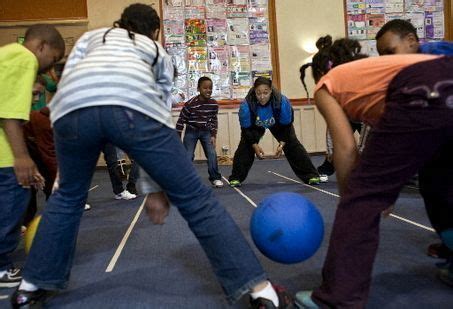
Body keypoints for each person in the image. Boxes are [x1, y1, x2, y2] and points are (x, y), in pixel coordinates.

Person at [10, 4, 292, 308]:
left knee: (67, 197)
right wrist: (155, 189)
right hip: (131, 108)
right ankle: (262, 293)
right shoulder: (155, 50)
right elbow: (155, 108)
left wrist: (67, 167)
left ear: (120, 23)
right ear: (155, 31)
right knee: (197, 200)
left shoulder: (90, 39)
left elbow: (69, 81)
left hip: (70, 111)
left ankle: (29, 287)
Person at [295, 36, 452, 308]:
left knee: (360, 199)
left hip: (422, 87)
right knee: (440, 185)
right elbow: (399, 146)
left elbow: (346, 149)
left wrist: (352, 199)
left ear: (321, 72)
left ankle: (338, 299)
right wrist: (386, 189)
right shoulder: (377, 74)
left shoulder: (327, 84)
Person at [375, 19, 453, 260]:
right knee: (432, 189)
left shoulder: (440, 54)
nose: (387, 61)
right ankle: (448, 242)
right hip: (435, 143)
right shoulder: (403, 79)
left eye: (390, 52)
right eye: (382, 56)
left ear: (411, 41)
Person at [0, 24, 64, 288]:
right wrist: (22, 158)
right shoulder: (24, 58)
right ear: (41, 47)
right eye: (52, 59)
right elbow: (8, 113)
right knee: (15, 196)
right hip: (3, 154)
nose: (49, 67)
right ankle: (1, 268)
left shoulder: (7, 54)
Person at [228, 76, 324, 187]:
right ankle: (236, 178)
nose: (262, 97)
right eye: (258, 93)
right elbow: (246, 129)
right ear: (254, 92)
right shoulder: (246, 106)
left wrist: (282, 144)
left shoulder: (282, 102)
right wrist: (254, 145)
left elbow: (287, 126)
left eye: (265, 93)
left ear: (271, 91)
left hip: (279, 124)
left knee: (292, 145)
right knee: (245, 147)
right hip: (255, 125)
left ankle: (311, 175)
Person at [176, 76, 224, 188]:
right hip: (191, 131)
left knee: (212, 154)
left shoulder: (213, 104)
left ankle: (215, 178)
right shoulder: (190, 104)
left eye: (210, 88)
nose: (208, 90)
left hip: (206, 132)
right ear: (198, 89)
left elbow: (213, 120)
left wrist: (213, 135)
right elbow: (180, 122)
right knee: (188, 155)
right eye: (205, 88)